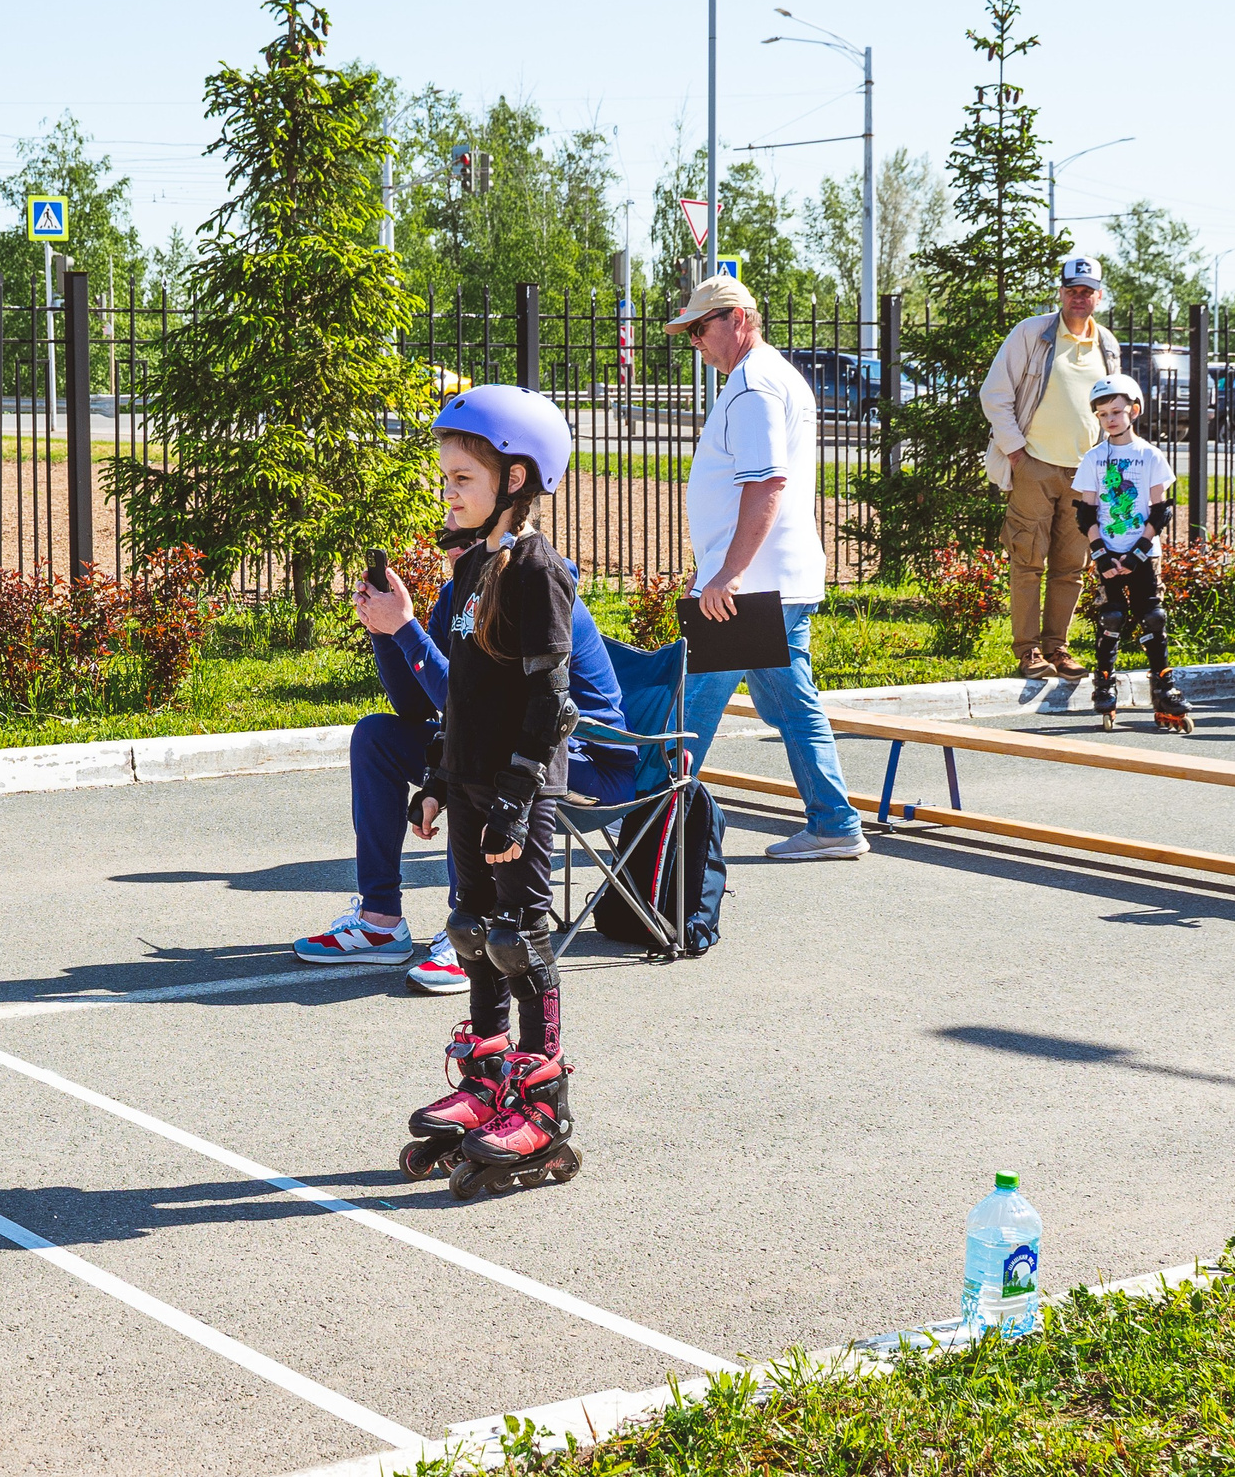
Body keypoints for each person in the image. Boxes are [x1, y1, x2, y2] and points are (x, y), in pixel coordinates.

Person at [306, 438, 637, 992]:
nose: (452, 537)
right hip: (495, 745)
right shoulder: (458, 592)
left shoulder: (534, 582)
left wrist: (406, 629)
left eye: (463, 501)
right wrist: (387, 634)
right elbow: (419, 705)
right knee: (377, 737)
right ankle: (381, 921)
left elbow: (484, 704)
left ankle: (469, 927)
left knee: (477, 761)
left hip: (577, 757)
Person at [397, 388, 586, 1197]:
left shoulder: (538, 572)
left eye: (462, 475)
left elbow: (552, 702)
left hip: (520, 788)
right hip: (473, 782)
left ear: (515, 477)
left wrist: (513, 796)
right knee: (473, 933)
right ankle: (486, 1086)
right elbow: (465, 691)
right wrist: (440, 777)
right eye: (445, 475)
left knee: (521, 939)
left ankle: (542, 1109)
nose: (449, 489)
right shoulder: (477, 563)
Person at [668, 276, 866, 861]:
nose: (697, 343)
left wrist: (725, 574)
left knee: (693, 705)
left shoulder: (754, 386)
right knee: (790, 703)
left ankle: (651, 818)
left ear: (738, 319)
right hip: (764, 580)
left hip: (751, 587)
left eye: (701, 329)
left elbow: (765, 483)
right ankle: (834, 822)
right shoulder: (768, 377)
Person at [981, 256, 1123, 678]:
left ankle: (1057, 649)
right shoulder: (1032, 334)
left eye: (1087, 291)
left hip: (1085, 473)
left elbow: (1114, 406)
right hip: (1035, 465)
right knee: (1027, 561)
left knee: (1071, 566)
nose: (1079, 297)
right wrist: (1016, 451)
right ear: (1060, 292)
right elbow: (995, 394)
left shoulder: (1107, 344)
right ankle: (1028, 652)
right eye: (1072, 290)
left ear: (1098, 295)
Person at [1070, 373, 1187, 732]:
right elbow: (1086, 512)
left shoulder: (1150, 455)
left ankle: (1164, 688)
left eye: (1117, 412)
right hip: (1108, 552)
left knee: (1153, 617)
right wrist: (1102, 554)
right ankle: (1104, 685)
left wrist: (1138, 551)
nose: (1110, 420)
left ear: (1134, 410)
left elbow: (1161, 510)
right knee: (1112, 618)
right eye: (1103, 414)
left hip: (1144, 554)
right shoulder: (1094, 458)